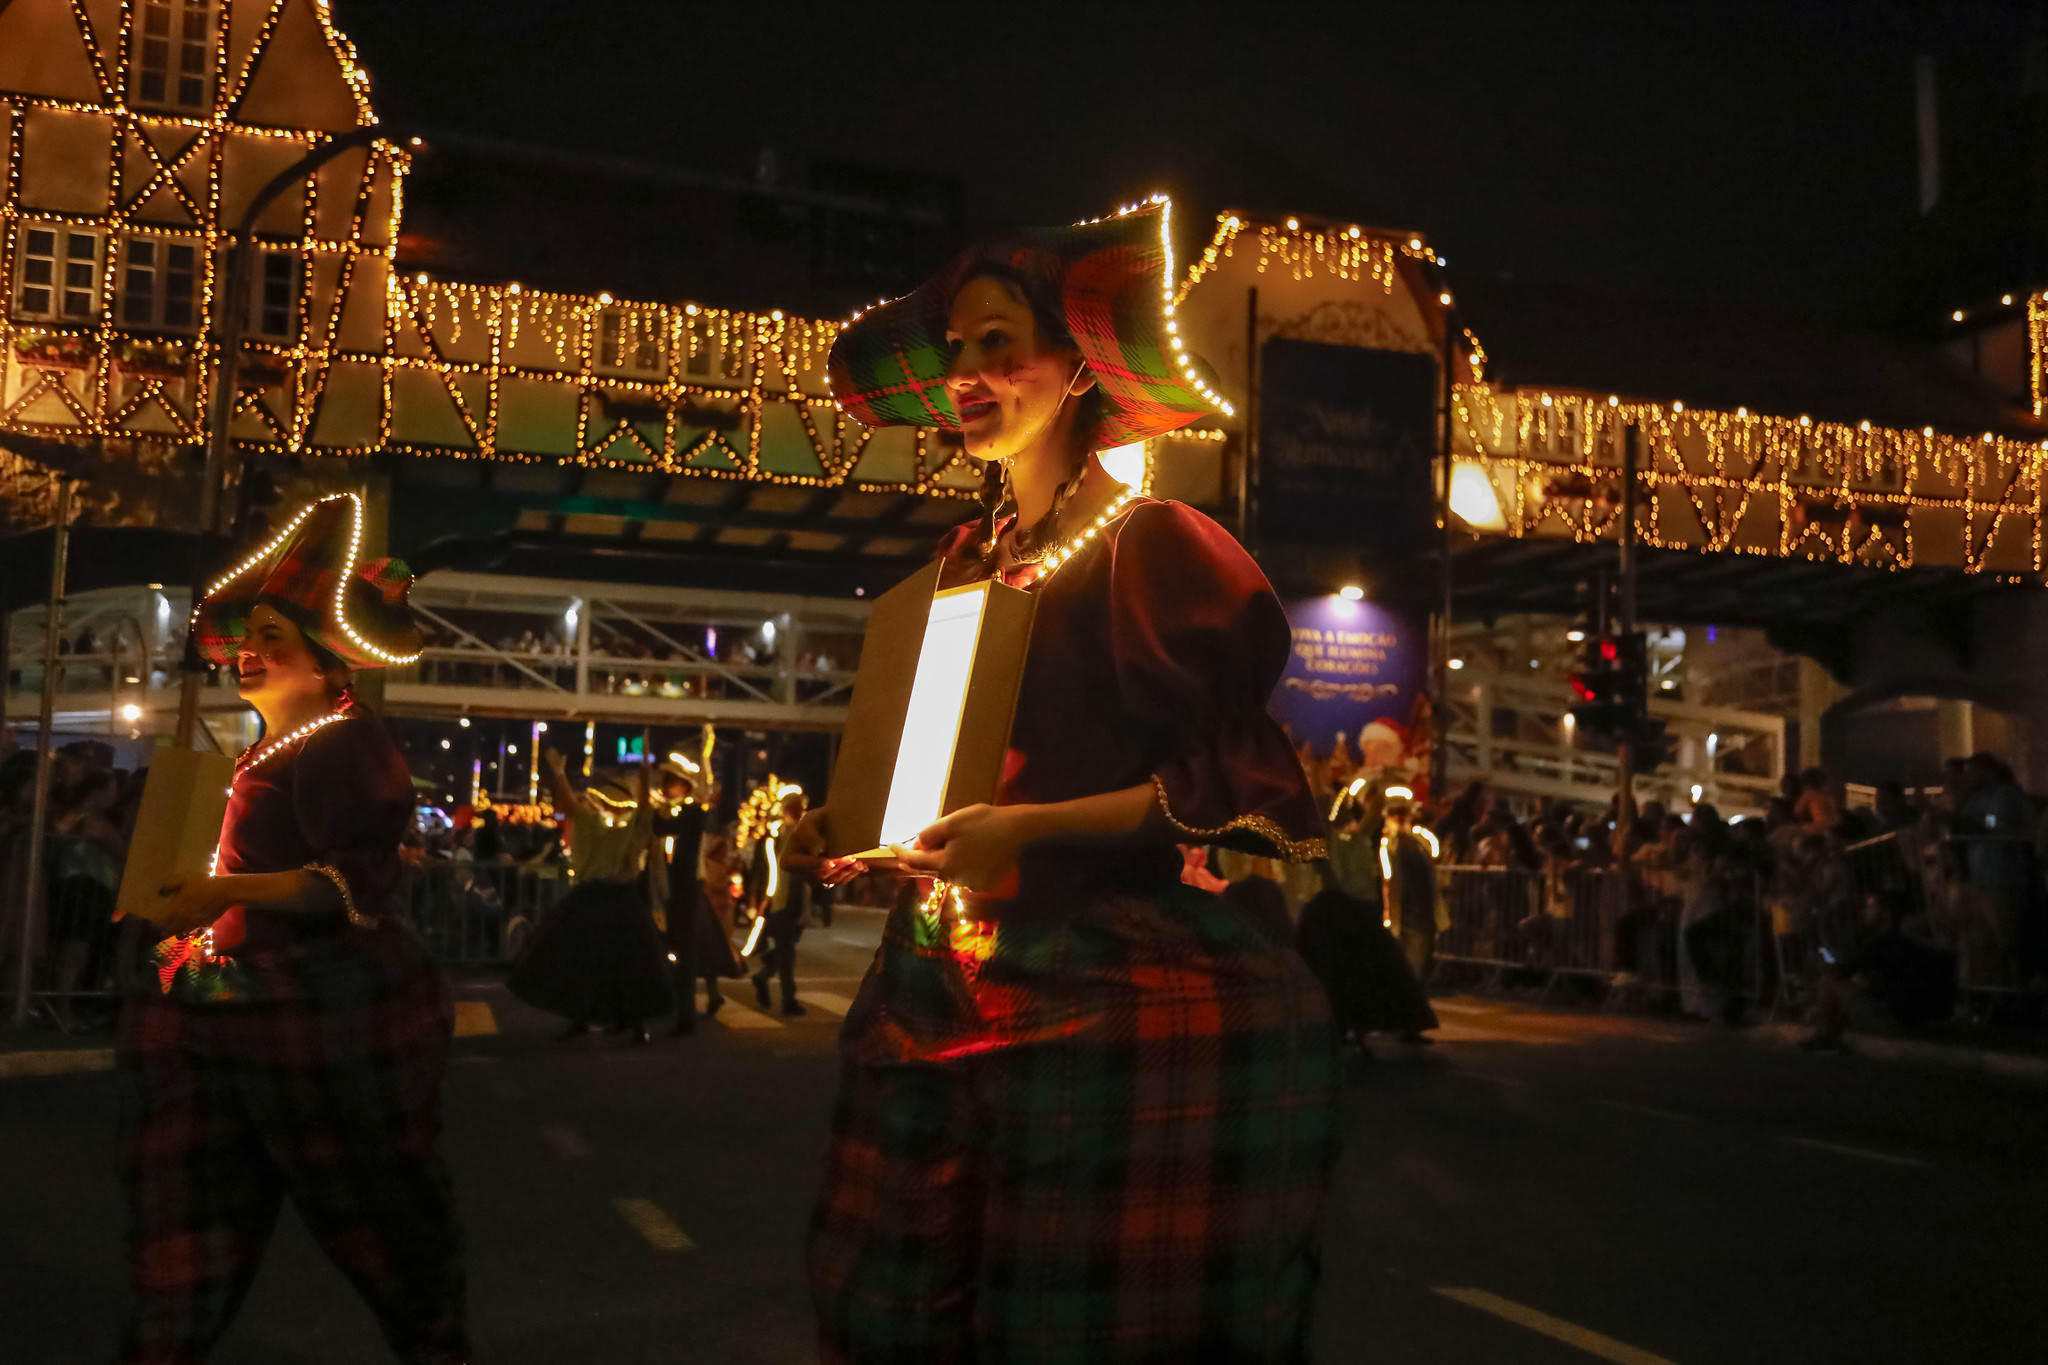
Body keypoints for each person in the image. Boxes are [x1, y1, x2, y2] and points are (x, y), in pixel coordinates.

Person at [808, 198, 1338, 1361]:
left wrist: (1027, 831)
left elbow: (1237, 787)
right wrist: (866, 834)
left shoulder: (1150, 543)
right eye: (956, 348)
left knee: (1070, 1314)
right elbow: (941, 777)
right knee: (884, 1289)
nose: (967, 370)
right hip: (936, 963)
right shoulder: (963, 563)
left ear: (1075, 370)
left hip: (1101, 971)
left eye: (999, 343)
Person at [120, 493, 467, 1364]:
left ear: (328, 667)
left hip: (307, 1008)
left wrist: (223, 889)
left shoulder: (347, 741)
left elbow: (353, 881)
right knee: (189, 1212)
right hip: (230, 999)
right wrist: (178, 896)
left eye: (273, 638)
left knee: (378, 1210)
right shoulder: (265, 750)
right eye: (247, 638)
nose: (249, 651)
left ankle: (435, 1342)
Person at [509, 749, 674, 1044]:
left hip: (614, 899)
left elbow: (646, 807)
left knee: (626, 963)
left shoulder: (633, 827)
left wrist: (647, 774)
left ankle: (631, 1023)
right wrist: (558, 774)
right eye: (603, 802)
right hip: (600, 899)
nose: (605, 807)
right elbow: (571, 806)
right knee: (584, 961)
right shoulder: (593, 824)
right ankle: (585, 1019)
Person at [650, 762, 710, 1035]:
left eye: (671, 782)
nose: (665, 787)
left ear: (684, 786)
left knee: (684, 951)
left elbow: (661, 827)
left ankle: (685, 1014)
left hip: (686, 887)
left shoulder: (693, 812)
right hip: (672, 886)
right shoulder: (680, 811)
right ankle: (676, 1007)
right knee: (675, 948)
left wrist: (646, 803)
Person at [753, 788, 821, 1017]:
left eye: (801, 808)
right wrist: (761, 901)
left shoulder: (801, 835)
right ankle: (788, 998)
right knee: (787, 951)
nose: (800, 812)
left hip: (796, 901)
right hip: (780, 901)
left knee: (786, 948)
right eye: (795, 808)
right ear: (785, 811)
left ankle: (763, 976)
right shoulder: (776, 836)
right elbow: (765, 870)